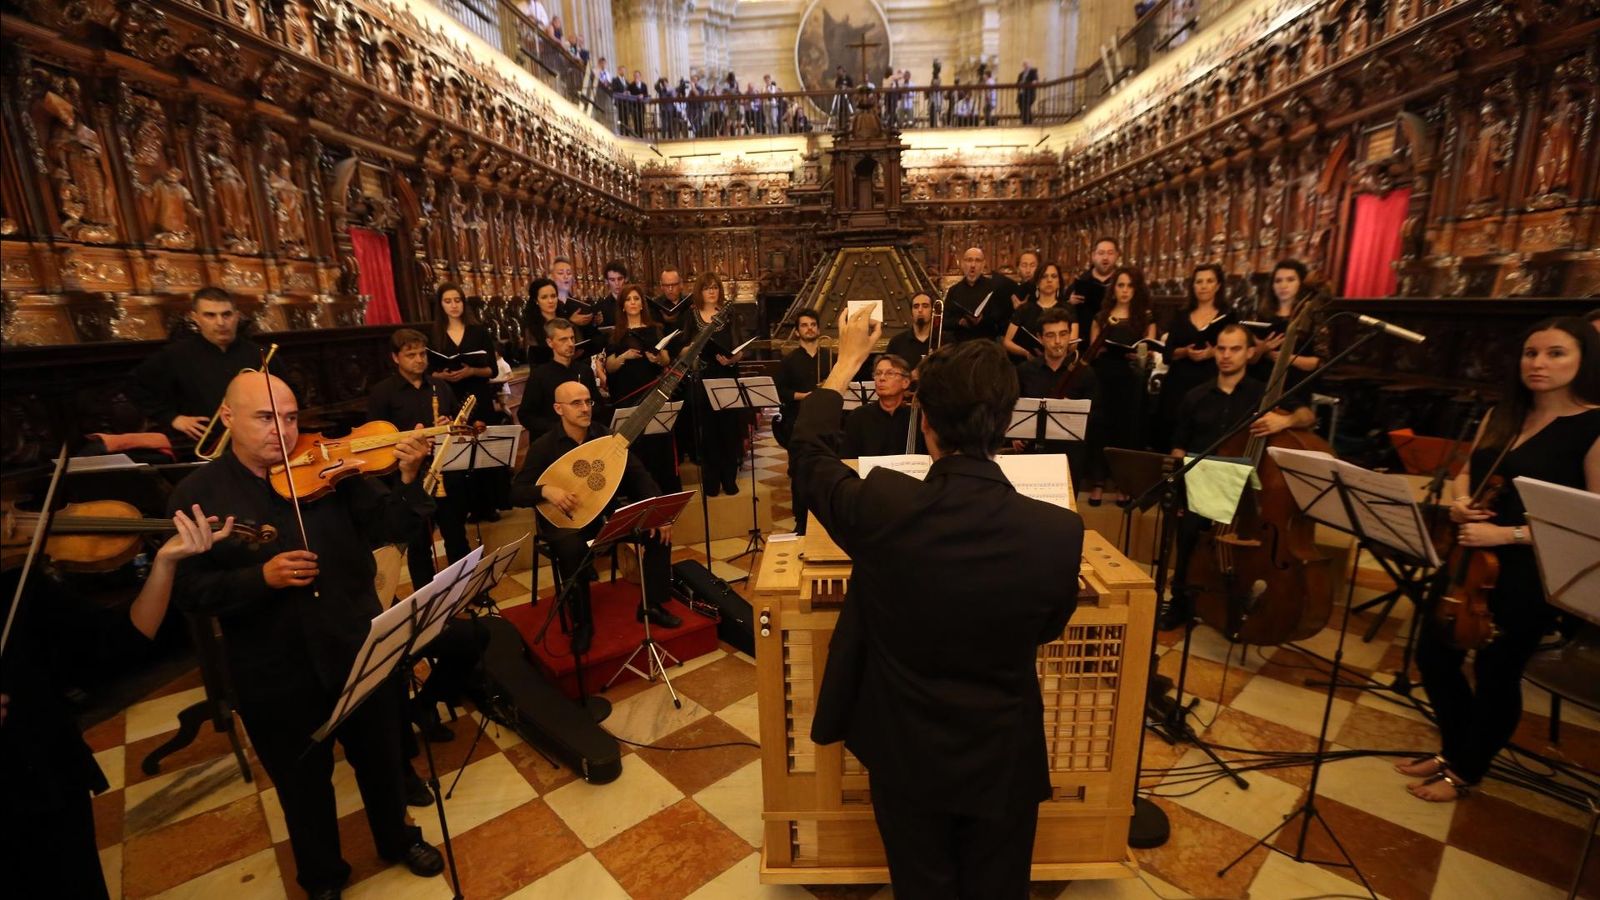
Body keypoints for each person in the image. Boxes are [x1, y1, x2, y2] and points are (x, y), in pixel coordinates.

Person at [794, 308, 1083, 899]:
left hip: (905, 750)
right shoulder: (1057, 532)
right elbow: (1049, 627)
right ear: (1004, 422)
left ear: (925, 422)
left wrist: (847, 361)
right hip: (1003, 751)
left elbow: (811, 454)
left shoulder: (885, 508)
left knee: (920, 885)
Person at [167, 373, 444, 899]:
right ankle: (322, 877)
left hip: (356, 644)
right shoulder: (198, 494)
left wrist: (410, 477)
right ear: (227, 418)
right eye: (266, 418)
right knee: (302, 784)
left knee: (382, 757)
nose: (283, 431)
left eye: (291, 417)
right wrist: (259, 578)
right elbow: (188, 592)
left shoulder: (331, 470)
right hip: (274, 668)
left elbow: (393, 527)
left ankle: (396, 837)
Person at [1405, 318, 1600, 802]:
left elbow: (1593, 520)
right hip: (1467, 558)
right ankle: (1453, 747)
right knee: (1434, 656)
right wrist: (1458, 501)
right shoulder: (1504, 413)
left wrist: (1507, 533)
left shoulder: (1594, 426)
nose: (1538, 363)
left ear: (1584, 360)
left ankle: (1468, 769)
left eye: (1556, 353)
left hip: (1527, 571)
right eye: (1531, 353)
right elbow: (1468, 472)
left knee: (1496, 673)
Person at [2, 504, 230, 900]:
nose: (9, 518)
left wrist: (164, 564)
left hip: (46, 776)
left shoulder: (16, 582)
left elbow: (119, 643)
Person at [1160, 323, 1314, 630]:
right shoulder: (1195, 396)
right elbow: (1179, 444)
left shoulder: (1265, 394)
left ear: (1249, 352)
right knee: (1189, 544)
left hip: (1246, 490)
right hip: (1201, 486)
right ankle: (1182, 605)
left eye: (1235, 349)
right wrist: (1176, 484)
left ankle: (1233, 601)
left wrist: (1283, 422)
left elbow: (1308, 416)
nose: (1226, 356)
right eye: (1221, 348)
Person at [511, 380, 680, 654]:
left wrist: (658, 513)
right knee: (570, 548)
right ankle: (583, 624)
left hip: (605, 517)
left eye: (588, 401)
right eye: (576, 403)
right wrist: (546, 490)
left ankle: (651, 606)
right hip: (564, 523)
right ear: (558, 409)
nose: (585, 408)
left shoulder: (607, 439)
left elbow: (639, 477)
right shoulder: (545, 446)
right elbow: (516, 493)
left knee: (658, 531)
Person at [368, 327, 469, 594]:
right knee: (419, 543)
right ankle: (428, 597)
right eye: (411, 354)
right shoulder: (382, 393)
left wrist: (450, 424)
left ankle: (463, 590)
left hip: (444, 472)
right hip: (411, 478)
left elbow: (459, 421)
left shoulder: (440, 385)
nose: (419, 359)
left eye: (422, 353)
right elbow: (376, 439)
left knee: (456, 535)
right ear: (395, 358)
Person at [133, 287, 272, 448]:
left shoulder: (261, 354)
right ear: (196, 318)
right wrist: (173, 418)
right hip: (200, 445)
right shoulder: (176, 354)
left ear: (237, 316)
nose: (220, 322)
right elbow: (135, 386)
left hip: (257, 443)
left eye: (226, 314)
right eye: (210, 315)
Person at [430, 283, 503, 523]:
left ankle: (488, 504)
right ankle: (465, 505)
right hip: (449, 396)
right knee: (458, 447)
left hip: (477, 394)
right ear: (440, 305)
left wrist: (471, 370)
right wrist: (441, 376)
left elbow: (491, 369)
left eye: (457, 300)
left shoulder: (478, 331)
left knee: (481, 446)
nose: (453, 305)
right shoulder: (434, 333)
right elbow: (429, 371)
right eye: (448, 301)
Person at [1088, 266, 1159, 502]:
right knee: (1101, 427)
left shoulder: (1145, 318)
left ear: (1136, 289)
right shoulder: (1101, 316)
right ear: (1114, 288)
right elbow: (1092, 351)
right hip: (1106, 376)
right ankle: (1097, 481)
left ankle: (1122, 484)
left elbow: (1150, 349)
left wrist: (1142, 355)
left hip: (1132, 379)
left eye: (1130, 286)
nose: (1125, 290)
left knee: (1128, 430)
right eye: (1120, 285)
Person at [606, 282, 680, 492]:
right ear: (622, 305)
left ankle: (663, 489)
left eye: (636, 299)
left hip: (652, 390)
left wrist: (656, 358)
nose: (632, 302)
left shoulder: (654, 329)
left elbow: (666, 359)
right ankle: (638, 491)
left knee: (658, 440)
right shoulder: (616, 334)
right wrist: (623, 357)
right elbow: (610, 367)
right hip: (628, 393)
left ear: (642, 304)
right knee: (635, 445)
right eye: (628, 299)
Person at [678, 272, 747, 496]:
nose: (711, 291)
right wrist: (694, 349)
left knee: (729, 430)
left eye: (715, 287)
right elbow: (682, 349)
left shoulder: (730, 314)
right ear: (700, 291)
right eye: (707, 287)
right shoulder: (691, 316)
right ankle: (711, 481)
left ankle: (729, 478)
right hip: (703, 379)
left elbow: (741, 347)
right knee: (708, 433)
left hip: (727, 375)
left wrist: (733, 358)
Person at [1016, 308, 1100, 489]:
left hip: (1070, 454)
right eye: (1050, 335)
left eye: (1063, 334)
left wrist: (1073, 412)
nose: (1058, 342)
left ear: (1070, 335)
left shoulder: (1084, 373)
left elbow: (1096, 415)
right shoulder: (1025, 371)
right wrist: (1015, 436)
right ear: (1040, 338)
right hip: (1032, 452)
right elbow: (1011, 408)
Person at [1156, 263, 1233, 451]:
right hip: (1178, 384)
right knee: (1173, 435)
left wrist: (1212, 352)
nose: (1204, 286)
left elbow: (1236, 349)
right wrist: (1185, 352)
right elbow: (1168, 352)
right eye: (1199, 282)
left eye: (1209, 281)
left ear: (1218, 286)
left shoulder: (1228, 316)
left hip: (1210, 382)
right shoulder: (1182, 315)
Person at [775, 310, 829, 532]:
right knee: (799, 471)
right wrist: (804, 396)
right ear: (797, 332)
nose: (809, 328)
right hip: (797, 422)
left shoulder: (830, 357)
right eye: (804, 325)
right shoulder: (789, 360)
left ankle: (826, 515)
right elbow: (781, 392)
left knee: (826, 469)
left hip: (826, 421)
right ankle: (801, 519)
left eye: (813, 324)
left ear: (818, 328)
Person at [1245, 258, 1330, 390]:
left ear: (1301, 283)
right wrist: (1263, 349)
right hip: (1259, 383)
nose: (1283, 286)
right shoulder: (1261, 316)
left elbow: (1319, 362)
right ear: (1272, 286)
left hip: (1295, 385)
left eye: (1290, 280)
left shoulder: (1311, 317)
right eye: (1278, 281)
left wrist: (1287, 358)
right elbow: (1248, 359)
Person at [517, 318, 599, 437]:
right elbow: (526, 416)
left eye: (572, 338)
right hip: (553, 441)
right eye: (563, 339)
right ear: (550, 343)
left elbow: (597, 405)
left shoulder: (584, 371)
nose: (571, 344)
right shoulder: (540, 375)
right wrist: (559, 428)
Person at [841, 355, 914, 458]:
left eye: (890, 373)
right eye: (878, 373)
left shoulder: (917, 417)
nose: (882, 378)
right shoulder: (858, 417)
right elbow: (847, 459)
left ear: (905, 382)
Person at [1004, 262, 1074, 361]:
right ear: (1037, 282)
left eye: (1053, 276)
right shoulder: (1025, 309)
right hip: (1028, 364)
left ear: (1059, 282)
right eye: (1044, 277)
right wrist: (1026, 353)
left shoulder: (1068, 309)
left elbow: (1073, 343)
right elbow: (1007, 341)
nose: (1049, 280)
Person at [945, 247, 1005, 343]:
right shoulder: (954, 290)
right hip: (960, 345)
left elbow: (1001, 319)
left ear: (983, 264)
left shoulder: (994, 288)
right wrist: (959, 322)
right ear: (962, 264)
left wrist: (984, 320)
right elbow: (945, 321)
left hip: (986, 344)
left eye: (977, 260)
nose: (973, 265)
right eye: (969, 260)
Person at [1067, 237, 1120, 326]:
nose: (1105, 257)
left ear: (1117, 255)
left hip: (1115, 332)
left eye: (1110, 253)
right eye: (1101, 253)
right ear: (1093, 256)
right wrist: (1070, 303)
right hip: (1085, 333)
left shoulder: (1123, 281)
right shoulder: (1081, 280)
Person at [886, 292, 936, 370]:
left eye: (925, 306)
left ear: (933, 312)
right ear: (911, 313)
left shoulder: (946, 340)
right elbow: (889, 373)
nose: (920, 310)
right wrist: (910, 377)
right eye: (916, 306)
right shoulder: (896, 342)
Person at [523, 276, 562, 366]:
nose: (550, 301)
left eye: (553, 296)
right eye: (544, 297)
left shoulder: (564, 318)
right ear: (536, 300)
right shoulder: (532, 326)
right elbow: (537, 357)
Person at [1017, 60, 1039, 125]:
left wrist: (1025, 84)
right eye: (1024, 64)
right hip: (1021, 93)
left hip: (1029, 93)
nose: (1025, 66)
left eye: (1026, 64)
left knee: (1026, 107)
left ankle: (1028, 122)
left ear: (1029, 65)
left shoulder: (1033, 72)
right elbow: (1017, 82)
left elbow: (1035, 81)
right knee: (1021, 106)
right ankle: (1025, 121)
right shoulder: (1021, 74)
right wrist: (1020, 84)